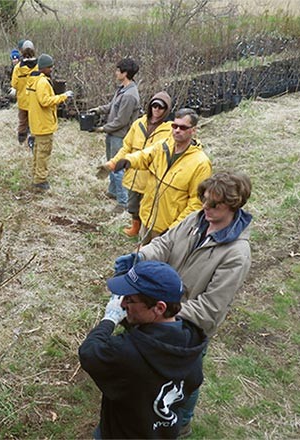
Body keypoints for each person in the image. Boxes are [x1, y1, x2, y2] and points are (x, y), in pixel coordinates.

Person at [113, 171, 253, 437]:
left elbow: (210, 309)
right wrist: (140, 258)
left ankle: (182, 425)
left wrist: (162, 312)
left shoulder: (237, 253)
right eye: (205, 201)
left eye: (215, 205)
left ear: (234, 205)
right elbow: (165, 244)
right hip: (161, 312)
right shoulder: (194, 220)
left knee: (184, 381)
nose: (206, 208)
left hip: (189, 329)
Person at [79, 261, 208, 439]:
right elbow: (194, 381)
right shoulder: (191, 343)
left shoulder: (127, 352)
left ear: (159, 307)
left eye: (130, 299)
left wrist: (109, 319)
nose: (123, 303)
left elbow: (89, 352)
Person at [111, 108, 211, 244]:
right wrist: (128, 161)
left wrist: (174, 229)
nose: (177, 130)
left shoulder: (201, 163)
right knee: (141, 257)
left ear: (193, 130)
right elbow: (145, 155)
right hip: (147, 218)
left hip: (169, 230)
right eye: (174, 126)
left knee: (158, 264)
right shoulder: (164, 146)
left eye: (182, 127)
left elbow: (196, 203)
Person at [108, 92, 173, 236]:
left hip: (150, 177)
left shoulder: (169, 130)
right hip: (133, 175)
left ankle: (146, 232)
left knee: (148, 207)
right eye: (154, 106)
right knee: (133, 205)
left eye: (161, 107)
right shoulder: (138, 124)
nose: (156, 110)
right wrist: (114, 162)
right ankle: (135, 227)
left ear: (166, 110)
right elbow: (126, 147)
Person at [88, 58, 141, 213]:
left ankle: (123, 202)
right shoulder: (122, 89)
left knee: (118, 168)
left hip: (120, 136)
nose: (116, 72)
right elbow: (112, 107)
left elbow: (121, 121)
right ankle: (113, 191)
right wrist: (98, 109)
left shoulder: (130, 95)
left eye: (118, 70)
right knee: (110, 163)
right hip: (113, 134)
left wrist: (102, 128)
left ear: (125, 73)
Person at [25, 53, 73, 191]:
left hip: (36, 122)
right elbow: (45, 101)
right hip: (44, 124)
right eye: (49, 67)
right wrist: (63, 96)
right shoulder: (42, 83)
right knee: (44, 153)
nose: (51, 69)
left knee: (38, 152)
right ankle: (40, 181)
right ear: (43, 68)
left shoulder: (33, 80)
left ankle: (36, 176)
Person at [9, 40, 37, 146]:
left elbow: (14, 84)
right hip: (34, 100)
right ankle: (32, 141)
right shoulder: (38, 66)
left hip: (22, 101)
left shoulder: (18, 68)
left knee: (22, 122)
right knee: (34, 121)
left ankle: (21, 140)